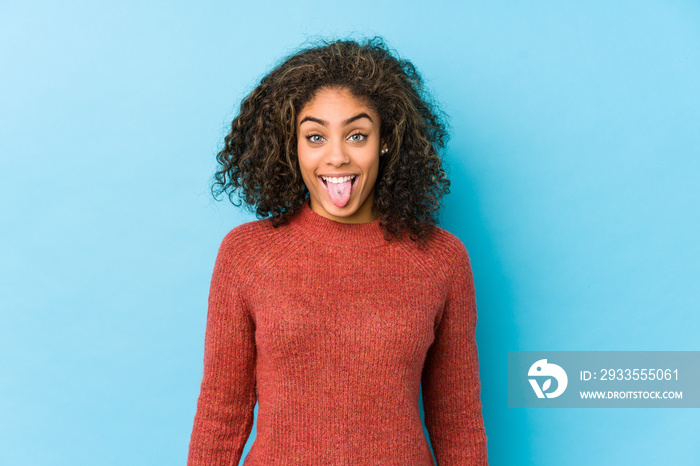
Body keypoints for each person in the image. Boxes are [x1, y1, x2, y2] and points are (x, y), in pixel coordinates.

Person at [187, 37, 488, 465]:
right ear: (291, 145)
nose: (336, 157)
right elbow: (222, 413)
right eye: (314, 136)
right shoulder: (246, 254)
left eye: (357, 135)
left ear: (385, 141)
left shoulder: (442, 259)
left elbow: (457, 424)